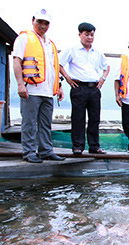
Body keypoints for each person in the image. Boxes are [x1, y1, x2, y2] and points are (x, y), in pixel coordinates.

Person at [13, 9, 65, 163]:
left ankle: (46, 151)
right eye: (40, 22)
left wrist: (59, 86)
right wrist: (20, 84)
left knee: (45, 124)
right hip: (31, 90)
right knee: (29, 123)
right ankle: (29, 152)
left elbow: (53, 67)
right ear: (33, 20)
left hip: (48, 92)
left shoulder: (50, 44)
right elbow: (17, 61)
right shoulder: (24, 38)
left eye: (46, 23)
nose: (43, 26)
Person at [60, 22, 110, 155]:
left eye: (92, 35)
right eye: (86, 34)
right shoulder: (72, 50)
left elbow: (107, 67)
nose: (89, 37)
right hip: (78, 87)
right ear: (80, 34)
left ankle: (94, 146)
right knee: (78, 118)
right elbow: (59, 64)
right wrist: (67, 78)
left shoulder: (97, 52)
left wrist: (103, 78)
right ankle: (78, 146)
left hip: (94, 88)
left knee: (94, 118)